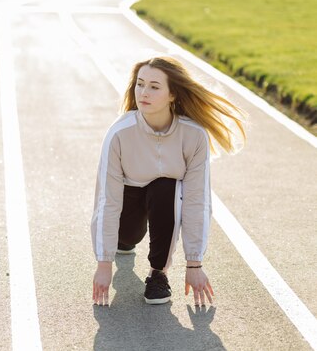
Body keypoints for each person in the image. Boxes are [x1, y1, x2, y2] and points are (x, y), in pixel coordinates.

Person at [91, 56, 245, 306]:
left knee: (167, 186)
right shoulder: (119, 133)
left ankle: (158, 273)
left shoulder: (194, 135)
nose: (144, 92)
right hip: (128, 199)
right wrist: (104, 263)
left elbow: (197, 200)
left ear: (172, 94)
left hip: (163, 199)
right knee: (127, 237)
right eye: (140, 84)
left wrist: (194, 263)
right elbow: (106, 200)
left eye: (154, 86)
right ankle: (124, 241)